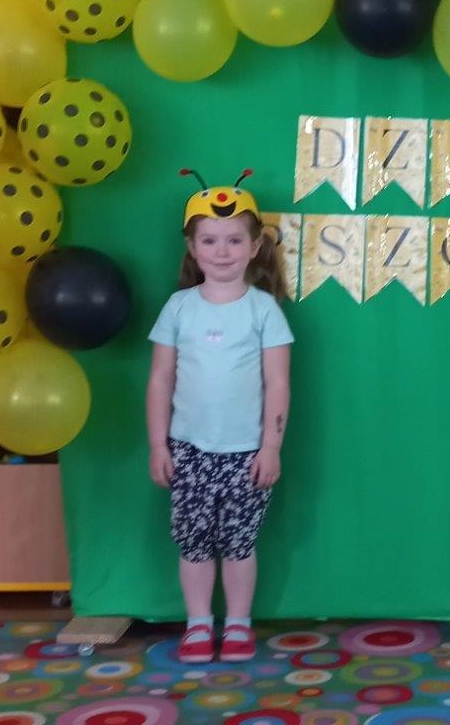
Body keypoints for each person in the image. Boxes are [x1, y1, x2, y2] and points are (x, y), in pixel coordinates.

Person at [146, 169, 293, 663]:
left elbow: (278, 383)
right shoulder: (178, 307)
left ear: (254, 247)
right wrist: (158, 444)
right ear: (192, 247)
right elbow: (160, 380)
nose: (222, 251)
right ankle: (197, 624)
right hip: (188, 452)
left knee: (238, 545)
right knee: (193, 545)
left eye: (234, 240)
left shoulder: (264, 311)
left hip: (246, 455)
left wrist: (271, 446)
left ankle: (238, 624)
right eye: (209, 240)